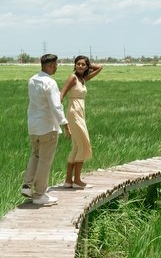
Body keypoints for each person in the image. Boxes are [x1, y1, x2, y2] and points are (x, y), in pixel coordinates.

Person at [20, 53, 70, 206]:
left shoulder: (32, 80)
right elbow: (56, 106)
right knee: (45, 161)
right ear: (49, 66)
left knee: (35, 156)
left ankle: (27, 185)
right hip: (47, 126)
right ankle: (40, 194)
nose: (56, 68)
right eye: (55, 65)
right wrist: (65, 124)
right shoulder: (50, 82)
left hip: (34, 126)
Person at [60, 55, 102, 188]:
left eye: (83, 64)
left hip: (80, 113)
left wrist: (89, 66)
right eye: (78, 64)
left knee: (77, 147)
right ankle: (77, 180)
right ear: (74, 65)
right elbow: (62, 94)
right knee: (84, 145)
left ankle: (68, 181)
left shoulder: (83, 79)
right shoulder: (73, 78)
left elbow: (100, 67)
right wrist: (59, 114)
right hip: (73, 113)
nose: (80, 66)